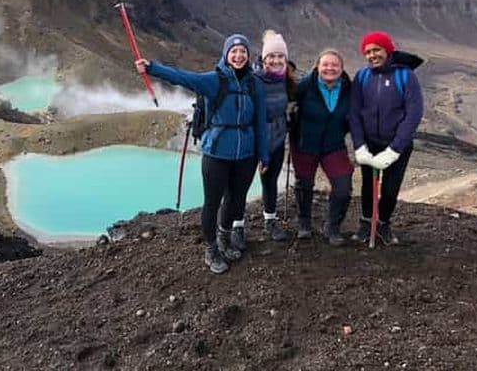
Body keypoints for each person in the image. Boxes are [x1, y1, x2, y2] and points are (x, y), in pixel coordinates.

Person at [134, 34, 269, 274]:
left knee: (236, 200)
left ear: (248, 56)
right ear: (226, 54)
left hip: (245, 154)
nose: (238, 56)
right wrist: (152, 68)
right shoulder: (213, 80)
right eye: (234, 51)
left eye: (243, 52)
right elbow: (182, 77)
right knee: (212, 202)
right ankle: (211, 248)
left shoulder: (254, 83)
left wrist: (264, 154)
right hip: (216, 153)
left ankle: (224, 238)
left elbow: (260, 120)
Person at [349, 31, 424, 245]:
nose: (372, 55)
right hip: (370, 142)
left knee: (391, 188)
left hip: (397, 145)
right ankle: (366, 223)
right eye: (368, 52)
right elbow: (353, 112)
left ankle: (382, 223)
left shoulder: (405, 76)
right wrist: (360, 146)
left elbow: (414, 113)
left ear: (387, 50)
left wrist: (395, 149)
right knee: (367, 185)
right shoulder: (362, 77)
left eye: (376, 50)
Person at [229, 30, 294, 246]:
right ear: (263, 59)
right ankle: (236, 225)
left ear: (285, 59)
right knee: (241, 183)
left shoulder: (288, 79)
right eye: (271, 57)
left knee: (270, 181)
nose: (276, 61)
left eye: (280, 57)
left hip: (277, 137)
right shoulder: (252, 79)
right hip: (252, 138)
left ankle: (270, 220)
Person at [289, 48, 353, 246]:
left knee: (343, 187)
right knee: (304, 184)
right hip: (304, 144)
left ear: (342, 69)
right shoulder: (304, 86)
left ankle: (332, 226)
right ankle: (304, 223)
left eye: (335, 65)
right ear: (317, 66)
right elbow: (286, 103)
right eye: (325, 64)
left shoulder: (348, 89)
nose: (330, 68)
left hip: (333, 145)